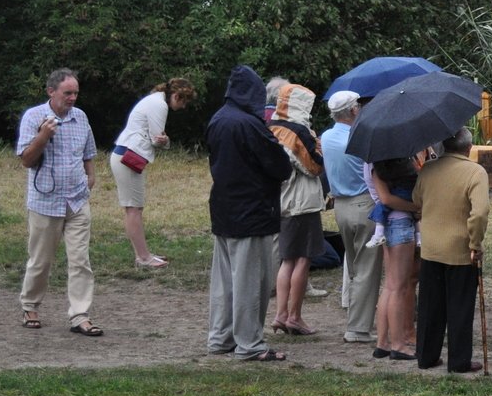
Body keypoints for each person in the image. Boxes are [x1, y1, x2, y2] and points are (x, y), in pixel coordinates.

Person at [205, 65, 293, 361]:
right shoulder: (250, 125)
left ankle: (221, 336)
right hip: (253, 211)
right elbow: (280, 167)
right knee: (250, 283)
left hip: (224, 208)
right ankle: (250, 344)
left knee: (224, 282)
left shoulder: (218, 119)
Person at [17, 68, 101, 336]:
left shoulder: (81, 117)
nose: (73, 98)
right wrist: (43, 136)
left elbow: (88, 152)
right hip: (45, 202)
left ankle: (80, 315)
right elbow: (26, 160)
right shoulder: (33, 117)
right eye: (68, 93)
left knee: (80, 261)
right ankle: (30, 305)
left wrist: (91, 176)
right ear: (51, 92)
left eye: (76, 92)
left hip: (77, 200)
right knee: (41, 260)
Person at [409, 128, 489, 374]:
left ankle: (426, 356)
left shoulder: (429, 169)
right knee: (460, 306)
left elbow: (416, 200)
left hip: (431, 248)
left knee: (430, 306)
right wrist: (475, 244)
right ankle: (459, 360)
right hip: (460, 250)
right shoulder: (475, 172)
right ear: (468, 148)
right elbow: (480, 212)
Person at [109, 77, 196, 268]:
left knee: (135, 208)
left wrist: (163, 141)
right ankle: (143, 258)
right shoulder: (160, 105)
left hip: (126, 155)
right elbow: (158, 139)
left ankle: (143, 254)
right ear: (176, 95)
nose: (183, 106)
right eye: (184, 101)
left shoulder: (154, 100)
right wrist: (165, 141)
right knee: (133, 209)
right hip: (127, 158)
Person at [320, 90, 382, 344]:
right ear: (354, 110)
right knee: (368, 267)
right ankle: (358, 328)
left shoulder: (325, 137)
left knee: (354, 265)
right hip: (363, 203)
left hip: (341, 206)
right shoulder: (361, 137)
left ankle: (354, 316)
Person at [268, 84, 326, 336]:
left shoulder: (270, 128)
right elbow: (315, 167)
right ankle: (292, 316)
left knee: (287, 259)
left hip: (280, 199)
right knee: (302, 259)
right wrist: (317, 144)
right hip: (301, 203)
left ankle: (281, 313)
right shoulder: (298, 132)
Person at [370, 154, 423, 361]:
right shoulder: (384, 165)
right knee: (399, 288)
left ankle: (382, 343)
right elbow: (387, 199)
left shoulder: (374, 162)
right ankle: (399, 344)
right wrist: (415, 208)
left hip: (388, 225)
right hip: (400, 224)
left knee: (390, 286)